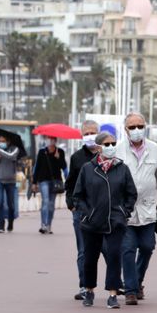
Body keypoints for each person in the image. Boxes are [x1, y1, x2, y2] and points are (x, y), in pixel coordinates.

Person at [72, 132, 137, 309]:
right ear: (99, 147)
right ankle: (89, 289)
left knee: (115, 256)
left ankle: (113, 294)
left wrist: (124, 212)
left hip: (115, 222)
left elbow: (131, 194)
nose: (111, 147)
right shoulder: (88, 168)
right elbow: (78, 195)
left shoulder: (122, 168)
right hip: (91, 222)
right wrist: (87, 213)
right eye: (107, 144)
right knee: (90, 258)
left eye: (113, 143)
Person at [116, 112, 157, 305]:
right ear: (126, 129)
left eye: (140, 126)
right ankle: (130, 290)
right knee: (128, 249)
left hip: (148, 210)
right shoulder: (118, 150)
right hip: (125, 211)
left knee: (147, 247)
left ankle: (137, 281)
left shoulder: (154, 149)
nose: (136, 130)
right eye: (132, 127)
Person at [66, 120, 100, 300]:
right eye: (86, 133)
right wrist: (71, 204)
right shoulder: (77, 158)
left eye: (93, 132)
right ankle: (85, 286)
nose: (90, 136)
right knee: (83, 250)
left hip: (103, 210)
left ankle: (115, 284)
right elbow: (70, 183)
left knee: (110, 250)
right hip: (81, 210)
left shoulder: (107, 154)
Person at [31, 137, 67, 235]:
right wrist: (34, 182)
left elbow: (63, 166)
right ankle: (43, 224)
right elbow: (37, 167)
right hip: (43, 180)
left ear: (55, 141)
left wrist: (58, 158)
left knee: (51, 205)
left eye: (52, 139)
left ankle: (49, 225)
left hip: (55, 181)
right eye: (48, 139)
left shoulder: (60, 152)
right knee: (45, 201)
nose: (50, 141)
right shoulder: (42, 152)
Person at [0, 135, 21, 233]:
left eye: (3, 141)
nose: (1, 143)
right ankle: (1, 224)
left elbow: (11, 156)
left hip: (10, 181)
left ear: (8, 141)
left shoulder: (15, 149)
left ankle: (10, 221)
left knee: (11, 205)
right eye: (0, 141)